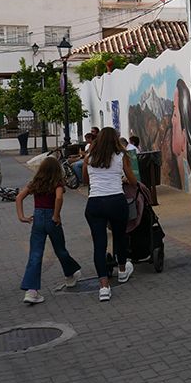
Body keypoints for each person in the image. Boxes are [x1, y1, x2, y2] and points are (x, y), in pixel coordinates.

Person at [15, 157, 82, 305]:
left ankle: (31, 291)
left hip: (38, 217)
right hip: (52, 217)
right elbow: (58, 198)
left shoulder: (35, 183)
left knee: (35, 254)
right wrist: (56, 215)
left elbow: (19, 197)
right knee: (60, 249)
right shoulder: (57, 183)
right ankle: (70, 275)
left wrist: (22, 217)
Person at [82, 127, 136, 302]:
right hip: (116, 201)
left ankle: (104, 287)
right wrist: (127, 180)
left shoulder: (89, 158)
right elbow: (133, 180)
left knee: (99, 244)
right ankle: (121, 271)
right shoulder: (121, 157)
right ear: (115, 140)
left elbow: (85, 180)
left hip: (95, 203)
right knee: (120, 236)